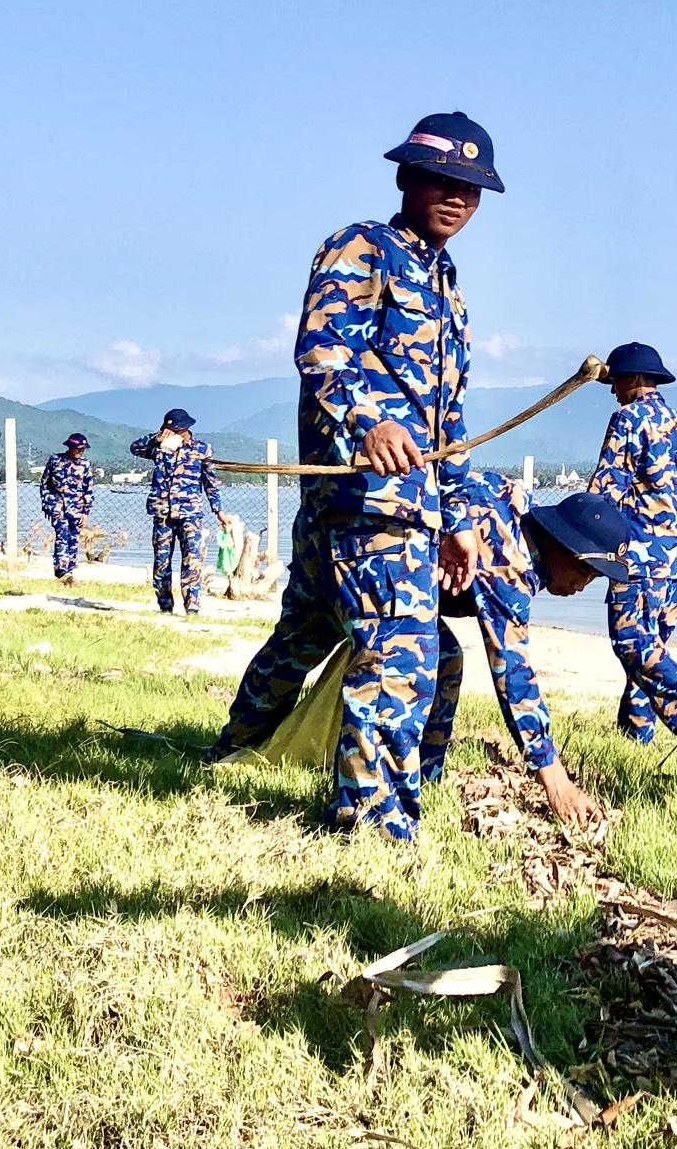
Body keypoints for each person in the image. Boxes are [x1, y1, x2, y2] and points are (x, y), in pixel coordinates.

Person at [204, 112, 497, 841]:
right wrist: (370, 422)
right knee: (398, 654)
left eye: (470, 188)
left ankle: (236, 749)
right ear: (405, 177)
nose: (456, 197)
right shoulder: (363, 248)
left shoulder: (449, 288)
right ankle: (368, 821)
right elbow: (322, 347)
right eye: (441, 180)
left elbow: (449, 422)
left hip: (404, 506)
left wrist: (459, 520)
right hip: (362, 500)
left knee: (304, 636)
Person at [422, 474, 630, 829]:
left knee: (444, 656)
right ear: (558, 541)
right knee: (439, 658)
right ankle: (412, 785)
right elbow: (513, 674)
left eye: (595, 578)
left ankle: (423, 781)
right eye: (584, 569)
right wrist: (556, 781)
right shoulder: (509, 561)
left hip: (354, 541)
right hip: (370, 548)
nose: (582, 586)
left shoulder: (519, 508)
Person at [588, 341, 677, 751]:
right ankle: (636, 735)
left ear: (633, 378)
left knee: (631, 639)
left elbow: (605, 488)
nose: (613, 390)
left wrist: (579, 538)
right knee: (652, 645)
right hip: (674, 556)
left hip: (638, 555)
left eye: (616, 382)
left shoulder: (628, 419)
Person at [128, 409, 225, 614]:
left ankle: (192, 607)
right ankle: (165, 606)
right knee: (162, 562)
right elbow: (134, 448)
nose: (174, 433)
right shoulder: (159, 447)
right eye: (170, 429)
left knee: (192, 560)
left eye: (178, 429)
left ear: (187, 428)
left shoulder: (201, 449)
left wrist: (218, 510)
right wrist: (155, 438)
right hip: (163, 512)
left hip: (190, 513)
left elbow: (211, 481)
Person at [40, 432, 94, 584]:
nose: (80, 452)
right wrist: (47, 503)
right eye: (78, 449)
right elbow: (45, 484)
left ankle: (70, 570)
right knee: (62, 535)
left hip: (77, 508)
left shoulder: (85, 465)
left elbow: (88, 489)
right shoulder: (55, 460)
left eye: (82, 449)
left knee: (73, 538)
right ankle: (61, 569)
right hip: (58, 506)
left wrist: (86, 512)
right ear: (70, 447)